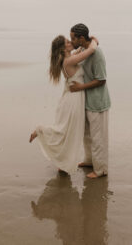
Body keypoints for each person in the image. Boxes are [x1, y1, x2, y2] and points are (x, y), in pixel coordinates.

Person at [29, 35, 98, 174]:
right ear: (62, 48)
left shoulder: (69, 58)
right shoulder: (69, 61)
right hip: (73, 102)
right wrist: (94, 41)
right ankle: (40, 130)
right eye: (67, 42)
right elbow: (90, 51)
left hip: (72, 99)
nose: (70, 42)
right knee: (66, 132)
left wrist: (83, 42)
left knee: (68, 133)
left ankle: (62, 163)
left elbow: (79, 52)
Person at [70, 23, 111, 179]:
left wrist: (81, 87)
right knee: (87, 135)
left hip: (98, 103)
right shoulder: (85, 50)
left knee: (98, 137)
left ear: (81, 38)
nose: (71, 40)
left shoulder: (97, 54)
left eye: (73, 38)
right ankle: (89, 160)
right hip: (87, 101)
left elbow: (101, 80)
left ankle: (101, 169)